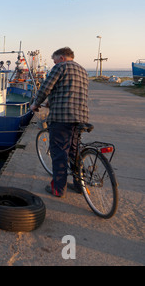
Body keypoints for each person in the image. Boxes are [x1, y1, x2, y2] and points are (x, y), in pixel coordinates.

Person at [30, 47, 89, 197]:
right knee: (75, 152)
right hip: (81, 117)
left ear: (62, 58)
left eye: (54, 60)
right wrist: (51, 101)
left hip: (62, 118)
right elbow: (69, 92)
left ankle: (58, 188)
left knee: (59, 153)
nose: (54, 63)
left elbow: (46, 87)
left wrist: (36, 103)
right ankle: (79, 186)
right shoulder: (82, 70)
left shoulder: (60, 67)